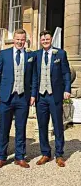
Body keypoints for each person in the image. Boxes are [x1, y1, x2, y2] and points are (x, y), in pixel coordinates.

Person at [0, 29, 36, 169]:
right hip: (6, 97)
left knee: (21, 128)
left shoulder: (30, 55)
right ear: (14, 39)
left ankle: (20, 157)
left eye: (22, 39)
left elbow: (34, 77)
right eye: (17, 39)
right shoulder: (4, 54)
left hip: (23, 97)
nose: (20, 42)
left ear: (25, 40)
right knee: (4, 128)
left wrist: (33, 95)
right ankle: (1, 157)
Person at [32, 30, 71, 167]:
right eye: (43, 39)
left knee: (58, 125)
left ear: (51, 39)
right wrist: (33, 95)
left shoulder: (60, 53)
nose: (45, 41)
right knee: (42, 125)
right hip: (41, 96)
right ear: (40, 41)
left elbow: (66, 73)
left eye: (47, 39)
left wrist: (67, 89)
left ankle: (59, 154)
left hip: (55, 95)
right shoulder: (37, 55)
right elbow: (34, 76)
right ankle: (45, 153)